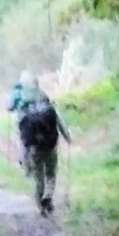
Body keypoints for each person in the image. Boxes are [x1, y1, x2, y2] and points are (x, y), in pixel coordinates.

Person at [5, 70, 70, 216]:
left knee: (38, 176)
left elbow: (9, 107)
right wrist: (67, 137)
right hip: (50, 143)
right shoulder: (43, 96)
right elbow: (57, 118)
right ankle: (48, 197)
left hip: (33, 145)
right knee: (51, 173)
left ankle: (40, 204)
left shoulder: (19, 94)